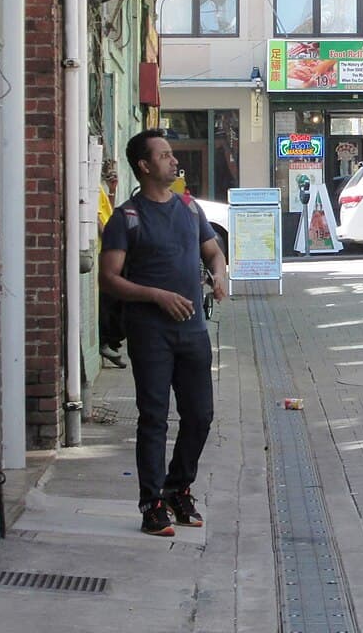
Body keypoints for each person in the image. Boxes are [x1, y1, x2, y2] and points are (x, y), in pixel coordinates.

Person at [100, 129, 228, 536]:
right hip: (150, 332)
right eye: (165, 156)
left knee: (200, 415)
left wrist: (219, 275)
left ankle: (178, 487)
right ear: (144, 165)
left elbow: (213, 251)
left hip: (192, 331)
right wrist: (156, 295)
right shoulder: (127, 218)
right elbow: (108, 279)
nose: (174, 161)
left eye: (173, 155)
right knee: (154, 418)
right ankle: (151, 502)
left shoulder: (190, 209)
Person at [97, 158, 126, 368]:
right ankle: (106, 341)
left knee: (113, 300)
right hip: (103, 254)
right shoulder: (91, 190)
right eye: (110, 170)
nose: (112, 173)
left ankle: (111, 341)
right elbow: (99, 222)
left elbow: (108, 216)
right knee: (109, 300)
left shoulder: (100, 191)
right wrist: (113, 242)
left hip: (108, 252)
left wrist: (112, 191)